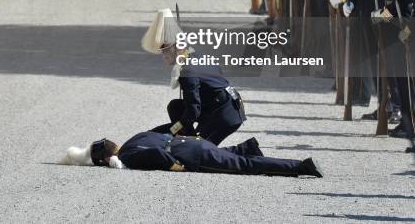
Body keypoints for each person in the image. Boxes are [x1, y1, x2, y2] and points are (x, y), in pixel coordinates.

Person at [141, 9, 245, 145]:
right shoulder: (196, 56)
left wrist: (173, 129)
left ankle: (189, 143)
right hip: (221, 106)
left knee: (199, 154)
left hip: (224, 115)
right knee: (175, 107)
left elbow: (193, 111)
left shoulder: (187, 70)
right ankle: (187, 139)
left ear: (178, 47)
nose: (163, 55)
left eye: (166, 50)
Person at [61, 132, 323, 177]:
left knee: (244, 166)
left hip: (193, 157)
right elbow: (159, 134)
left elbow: (156, 154)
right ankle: (249, 146)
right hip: (193, 142)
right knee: (237, 157)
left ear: (105, 160)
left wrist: (177, 167)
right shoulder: (133, 140)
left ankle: (301, 166)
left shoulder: (127, 158)